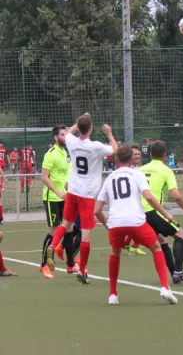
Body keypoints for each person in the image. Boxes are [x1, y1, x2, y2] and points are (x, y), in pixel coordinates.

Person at [95, 145, 178, 305]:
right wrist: (165, 213)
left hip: (115, 222)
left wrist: (108, 225)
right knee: (156, 247)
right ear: (132, 159)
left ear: (117, 159)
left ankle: (113, 294)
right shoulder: (137, 174)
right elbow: (149, 197)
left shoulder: (110, 178)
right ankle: (165, 287)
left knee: (115, 252)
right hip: (136, 220)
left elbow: (97, 210)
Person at [47, 113, 118, 284]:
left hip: (73, 190)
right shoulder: (96, 146)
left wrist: (77, 123)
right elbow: (115, 150)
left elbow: (66, 134)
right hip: (87, 194)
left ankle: (52, 246)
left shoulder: (71, 141)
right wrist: (109, 134)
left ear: (79, 127)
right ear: (91, 128)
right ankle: (83, 271)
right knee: (86, 233)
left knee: (65, 223)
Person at [140, 140, 183, 284]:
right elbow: (176, 196)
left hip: (138, 212)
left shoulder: (140, 169)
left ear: (150, 154)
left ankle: (175, 274)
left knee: (161, 240)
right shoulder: (165, 170)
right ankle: (179, 270)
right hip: (151, 210)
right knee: (180, 234)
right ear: (164, 155)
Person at [40, 125, 81, 279]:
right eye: (63, 134)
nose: (66, 136)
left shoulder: (66, 152)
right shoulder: (51, 154)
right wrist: (57, 191)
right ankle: (44, 265)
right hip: (52, 198)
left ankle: (71, 264)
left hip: (67, 197)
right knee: (54, 230)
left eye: (66, 133)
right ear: (56, 137)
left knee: (69, 228)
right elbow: (44, 177)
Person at [122, 144, 146, 256]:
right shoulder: (126, 169)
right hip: (127, 203)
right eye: (134, 154)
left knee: (138, 224)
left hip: (137, 202)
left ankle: (130, 245)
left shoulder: (137, 169)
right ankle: (128, 244)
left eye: (138, 154)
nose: (137, 156)